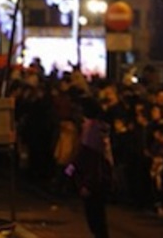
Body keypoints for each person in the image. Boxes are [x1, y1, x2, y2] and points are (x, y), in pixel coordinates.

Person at [67, 96, 114, 238]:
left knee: (95, 215)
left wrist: (86, 183)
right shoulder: (97, 128)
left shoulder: (92, 131)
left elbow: (90, 161)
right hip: (96, 179)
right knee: (96, 215)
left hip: (94, 181)